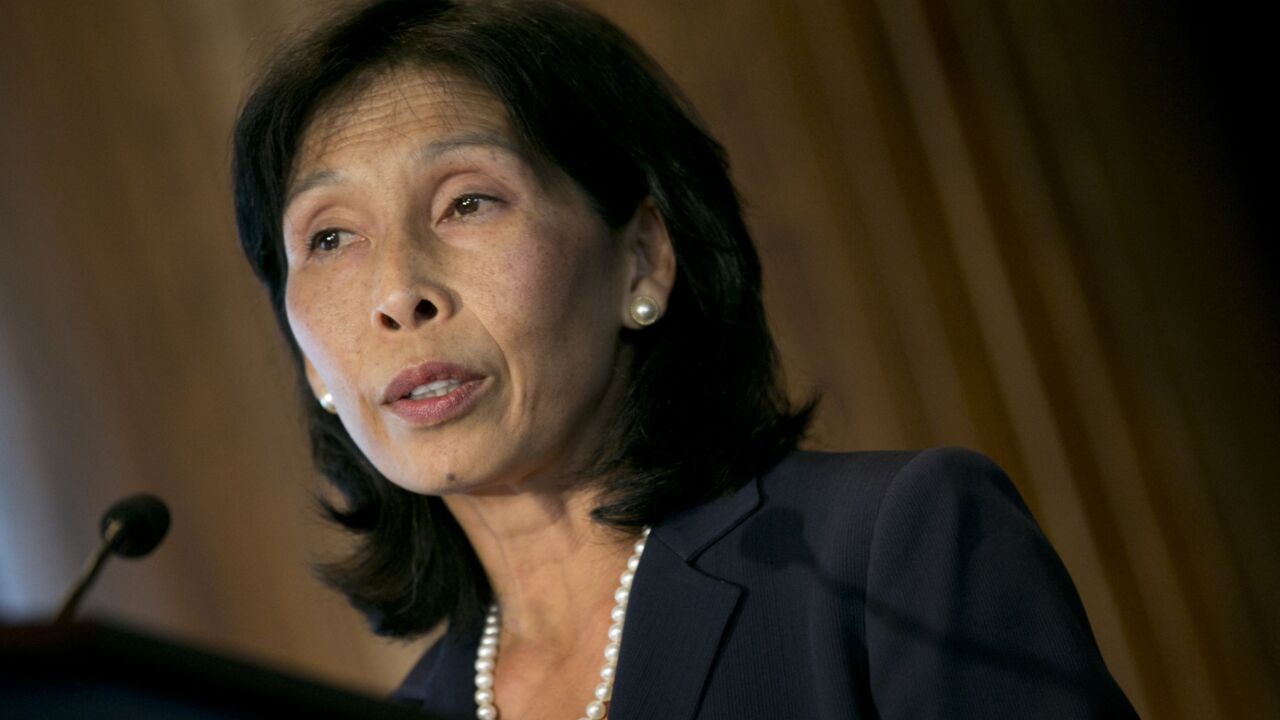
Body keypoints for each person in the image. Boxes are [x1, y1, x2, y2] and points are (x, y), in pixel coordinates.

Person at [232, 1, 1139, 717]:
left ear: (644, 257)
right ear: (309, 359)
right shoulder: (414, 710)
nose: (398, 293)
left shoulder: (889, 552)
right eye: (332, 237)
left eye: (468, 203)